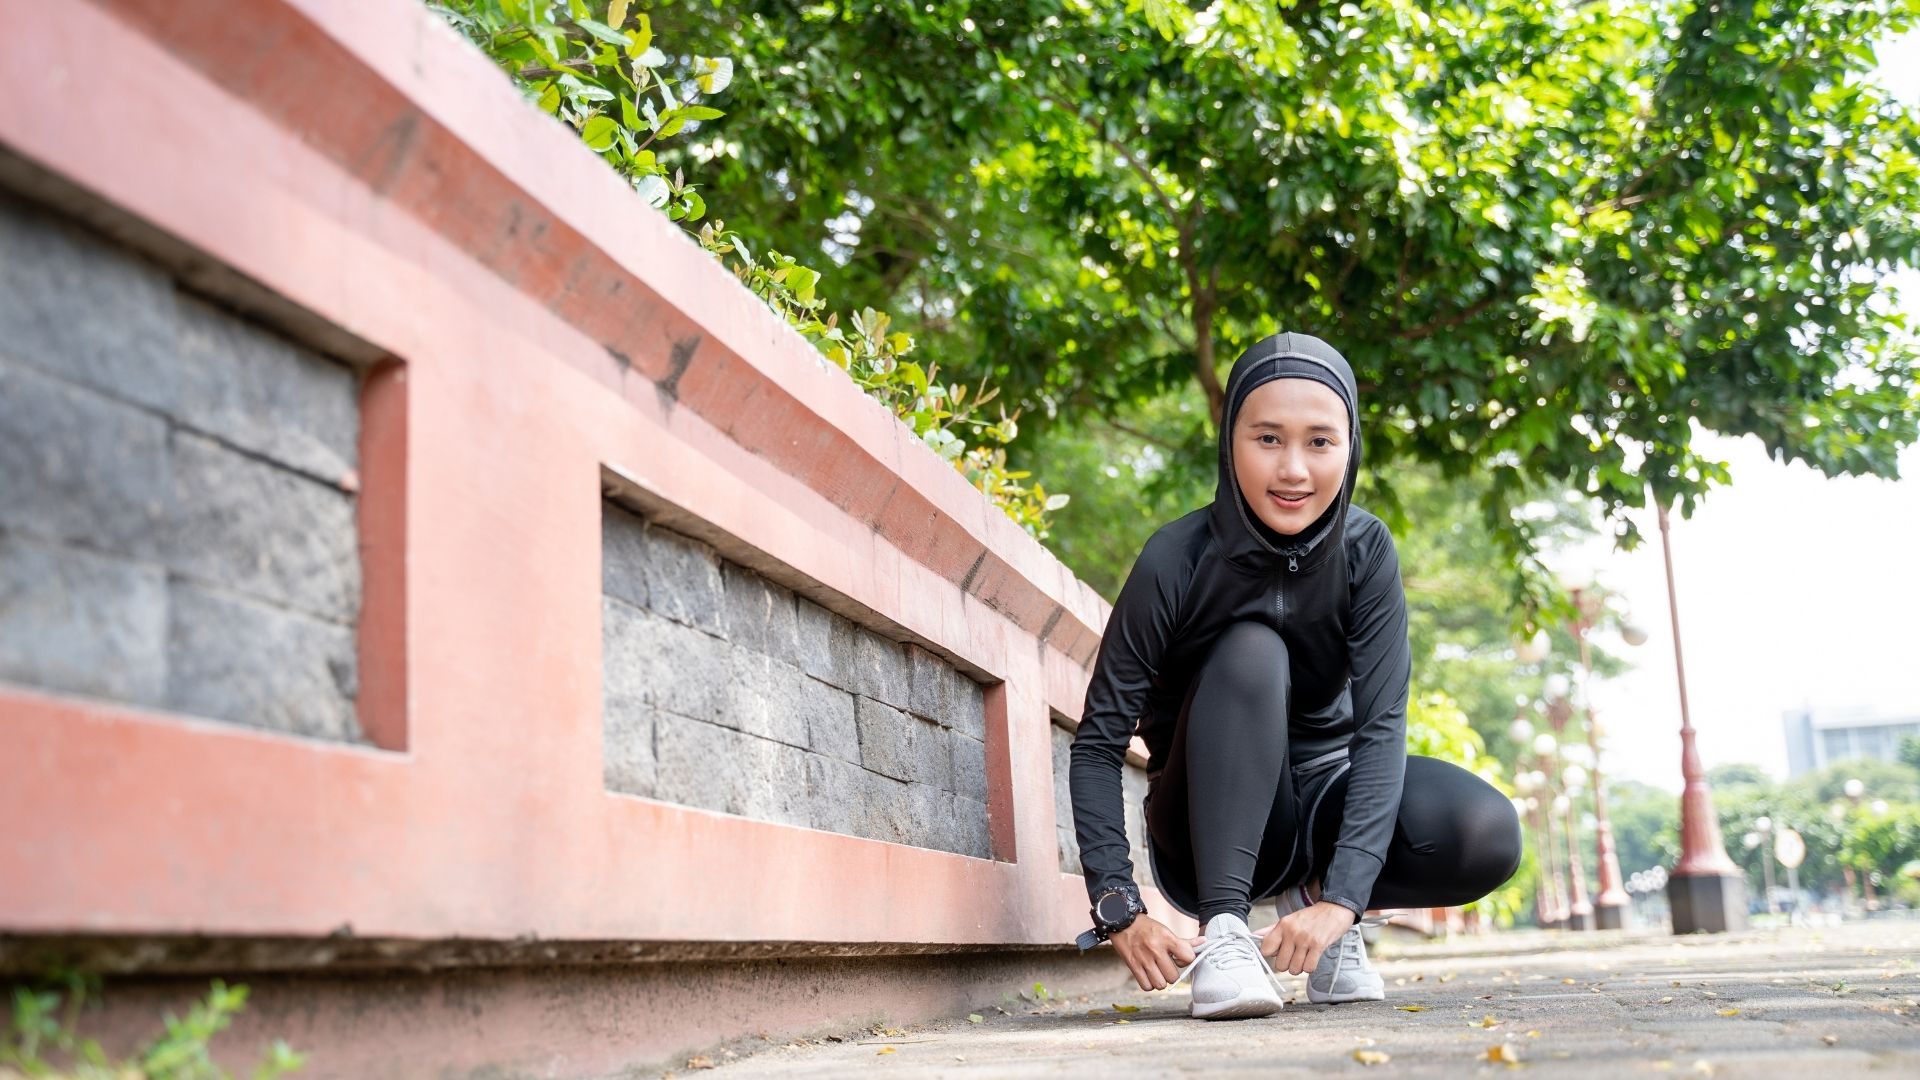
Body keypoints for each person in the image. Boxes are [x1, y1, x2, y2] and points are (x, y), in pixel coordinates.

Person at [1068, 331, 1524, 1020]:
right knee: (1255, 648)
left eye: (1320, 442)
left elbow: (1380, 732)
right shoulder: (1176, 558)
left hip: (1324, 803)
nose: (1293, 470)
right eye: (1267, 439)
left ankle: (1311, 905)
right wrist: (1118, 906)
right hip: (1203, 824)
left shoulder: (1366, 550)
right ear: (1230, 441)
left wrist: (1343, 900)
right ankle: (1226, 932)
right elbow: (1099, 741)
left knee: (1485, 832)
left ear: (1350, 446)